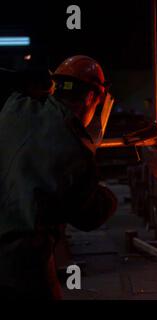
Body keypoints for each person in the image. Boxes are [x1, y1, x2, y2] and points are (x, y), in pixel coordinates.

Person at [0, 55, 117, 299]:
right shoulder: (75, 149)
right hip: (21, 262)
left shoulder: (15, 105)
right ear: (92, 98)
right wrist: (108, 195)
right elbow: (88, 217)